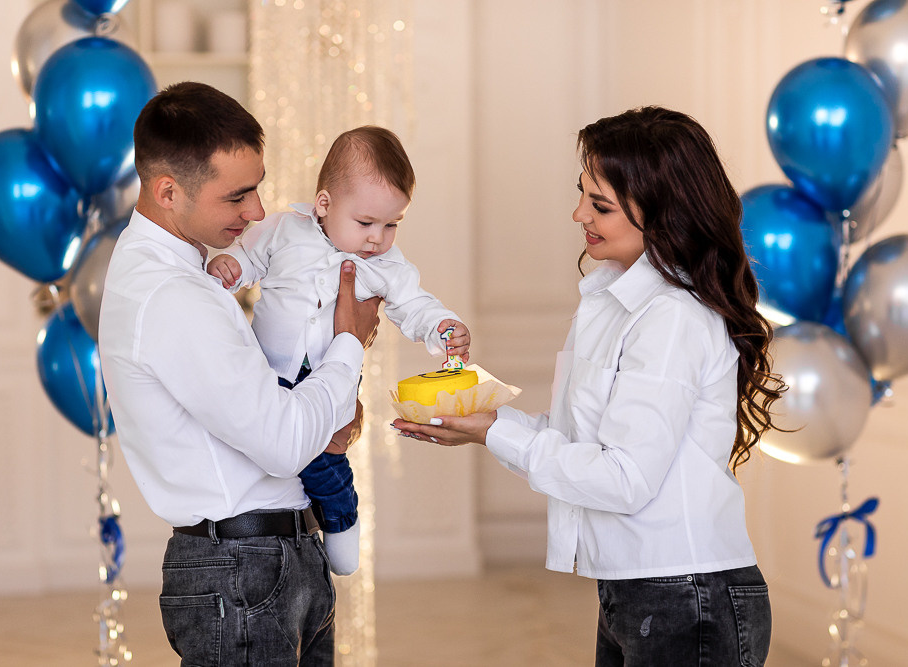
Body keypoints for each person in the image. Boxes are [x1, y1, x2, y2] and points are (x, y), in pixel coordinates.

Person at [393, 106, 786, 666]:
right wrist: (485, 426)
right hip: (640, 590)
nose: (578, 213)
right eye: (584, 194)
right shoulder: (607, 300)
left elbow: (624, 479)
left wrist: (496, 437)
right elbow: (579, 442)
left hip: (687, 593)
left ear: (663, 213)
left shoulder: (672, 317)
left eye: (599, 204)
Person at [99, 81, 381, 665]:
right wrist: (348, 343)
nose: (257, 212)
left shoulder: (190, 276)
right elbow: (282, 443)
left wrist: (319, 414)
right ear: (168, 191)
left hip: (268, 561)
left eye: (258, 190)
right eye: (237, 197)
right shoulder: (173, 296)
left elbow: (277, 422)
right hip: (243, 574)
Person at [207, 125, 471, 576]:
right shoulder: (283, 230)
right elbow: (249, 260)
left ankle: (342, 521)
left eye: (392, 224)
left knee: (324, 461)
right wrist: (232, 266)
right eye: (366, 222)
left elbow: (415, 304)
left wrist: (443, 326)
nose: (377, 237)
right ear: (324, 205)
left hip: (331, 378)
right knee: (257, 448)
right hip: (266, 370)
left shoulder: (387, 265)